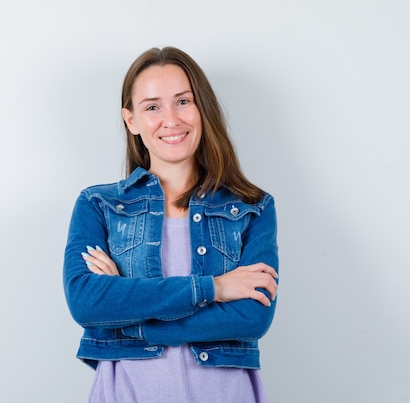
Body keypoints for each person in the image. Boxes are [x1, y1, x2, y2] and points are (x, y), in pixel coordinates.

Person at [63, 46, 279, 403]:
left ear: (202, 109)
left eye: (183, 101)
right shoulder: (98, 205)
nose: (171, 119)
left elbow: (251, 317)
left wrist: (129, 316)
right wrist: (215, 288)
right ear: (131, 120)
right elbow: (87, 303)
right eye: (152, 107)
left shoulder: (252, 207)